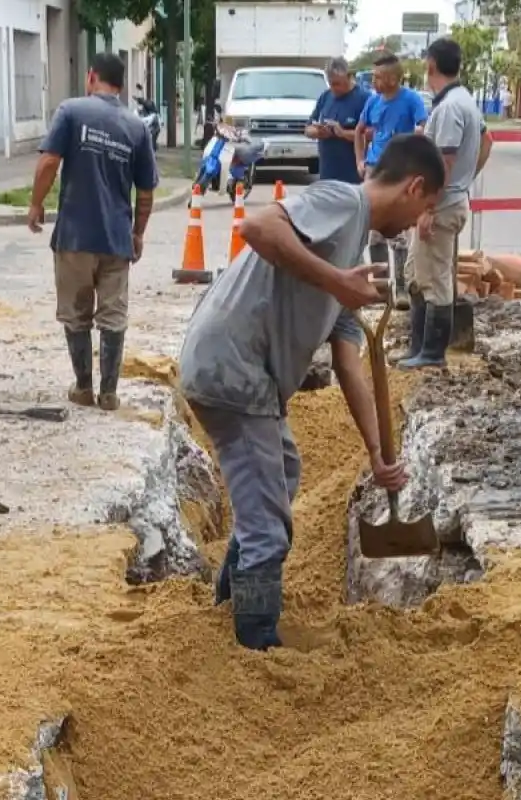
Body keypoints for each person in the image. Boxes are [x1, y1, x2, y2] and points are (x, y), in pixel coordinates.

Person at [177, 133, 446, 651]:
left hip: (244, 373)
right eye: (426, 207)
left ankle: (228, 607)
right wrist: (335, 280)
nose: (420, 222)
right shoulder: (344, 202)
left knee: (284, 472)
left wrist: (376, 452)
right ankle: (255, 646)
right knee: (268, 528)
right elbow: (257, 226)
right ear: (413, 187)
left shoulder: (352, 247)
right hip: (233, 368)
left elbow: (350, 362)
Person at [27, 52, 158, 412]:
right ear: (120, 84)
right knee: (113, 314)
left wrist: (36, 203)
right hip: (116, 238)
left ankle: (83, 386)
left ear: (91, 76)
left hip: (75, 236)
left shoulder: (71, 111)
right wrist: (137, 233)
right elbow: (146, 192)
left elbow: (49, 162)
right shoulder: (136, 127)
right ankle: (109, 392)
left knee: (76, 313)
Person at [399, 38, 492, 370]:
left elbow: (445, 162)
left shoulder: (450, 107)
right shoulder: (464, 100)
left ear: (431, 65)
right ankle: (418, 347)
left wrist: (429, 207)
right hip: (450, 200)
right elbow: (487, 142)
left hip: (440, 207)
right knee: (417, 272)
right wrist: (465, 181)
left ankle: (432, 353)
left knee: (435, 279)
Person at [353, 53, 427, 305]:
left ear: (394, 79)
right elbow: (359, 131)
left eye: (378, 77)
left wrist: (416, 150)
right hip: (375, 170)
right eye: (373, 77)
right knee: (374, 231)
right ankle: (381, 289)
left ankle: (402, 287)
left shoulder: (411, 100)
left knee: (399, 231)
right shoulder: (373, 101)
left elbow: (422, 127)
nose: (373, 82)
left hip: (400, 171)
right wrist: (360, 160)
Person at [304, 57, 369, 184]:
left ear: (349, 77)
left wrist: (342, 133)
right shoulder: (325, 96)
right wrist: (318, 132)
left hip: (354, 178)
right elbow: (307, 129)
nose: (334, 88)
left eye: (338, 84)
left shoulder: (364, 99)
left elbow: (371, 136)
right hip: (327, 174)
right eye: (331, 83)